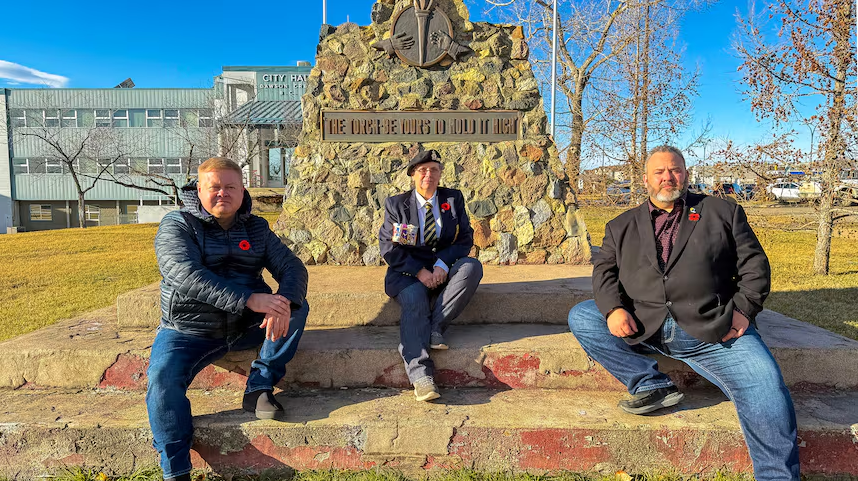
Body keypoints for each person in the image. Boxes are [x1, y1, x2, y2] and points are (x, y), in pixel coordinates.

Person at [567, 146, 800, 480]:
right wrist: (614, 309)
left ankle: (777, 476)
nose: (668, 177)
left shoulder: (722, 212)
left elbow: (755, 266)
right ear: (645, 179)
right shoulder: (620, 226)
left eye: (675, 170)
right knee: (583, 316)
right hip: (644, 326)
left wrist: (744, 310)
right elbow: (604, 273)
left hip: (713, 331)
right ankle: (651, 383)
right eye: (659, 172)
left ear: (686, 174)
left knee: (766, 386)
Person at [148, 157, 309, 481]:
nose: (223, 193)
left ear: (242, 190)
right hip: (189, 330)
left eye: (230, 187)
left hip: (247, 325)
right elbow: (184, 274)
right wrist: (250, 298)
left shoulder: (257, 228)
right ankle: (176, 470)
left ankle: (259, 386)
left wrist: (282, 302)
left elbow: (292, 267)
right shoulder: (177, 225)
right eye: (215, 187)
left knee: (294, 305)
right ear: (198, 190)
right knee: (162, 380)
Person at [379, 150, 483, 402]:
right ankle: (421, 376)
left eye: (434, 169)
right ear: (413, 175)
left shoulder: (453, 199)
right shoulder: (397, 205)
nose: (429, 174)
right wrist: (419, 271)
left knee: (471, 267)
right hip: (408, 273)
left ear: (440, 174)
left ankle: (436, 326)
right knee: (415, 299)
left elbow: (465, 238)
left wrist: (442, 264)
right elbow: (389, 247)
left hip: (441, 270)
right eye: (422, 170)